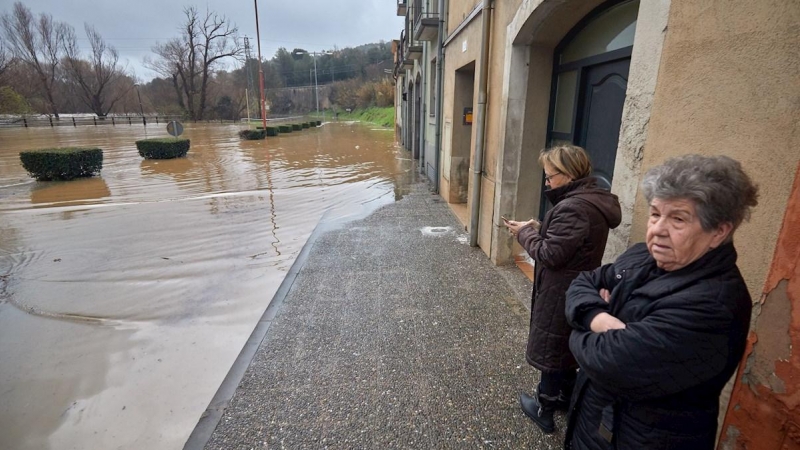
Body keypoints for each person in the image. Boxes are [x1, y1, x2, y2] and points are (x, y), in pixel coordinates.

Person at [564, 154, 759, 449]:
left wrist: (578, 326)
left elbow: (606, 362)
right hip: (595, 421)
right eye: (655, 214)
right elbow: (582, 283)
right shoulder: (642, 255)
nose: (657, 230)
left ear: (719, 231)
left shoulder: (713, 304)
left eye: (678, 218)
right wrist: (597, 317)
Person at [503, 145, 621, 434]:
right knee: (565, 345)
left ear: (568, 174)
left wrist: (524, 233)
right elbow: (573, 243)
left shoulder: (574, 206)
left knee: (553, 345)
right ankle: (566, 399)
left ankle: (545, 408)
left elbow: (551, 255)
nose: (547, 182)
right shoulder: (589, 200)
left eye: (550, 177)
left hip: (561, 290)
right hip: (575, 284)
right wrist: (541, 227)